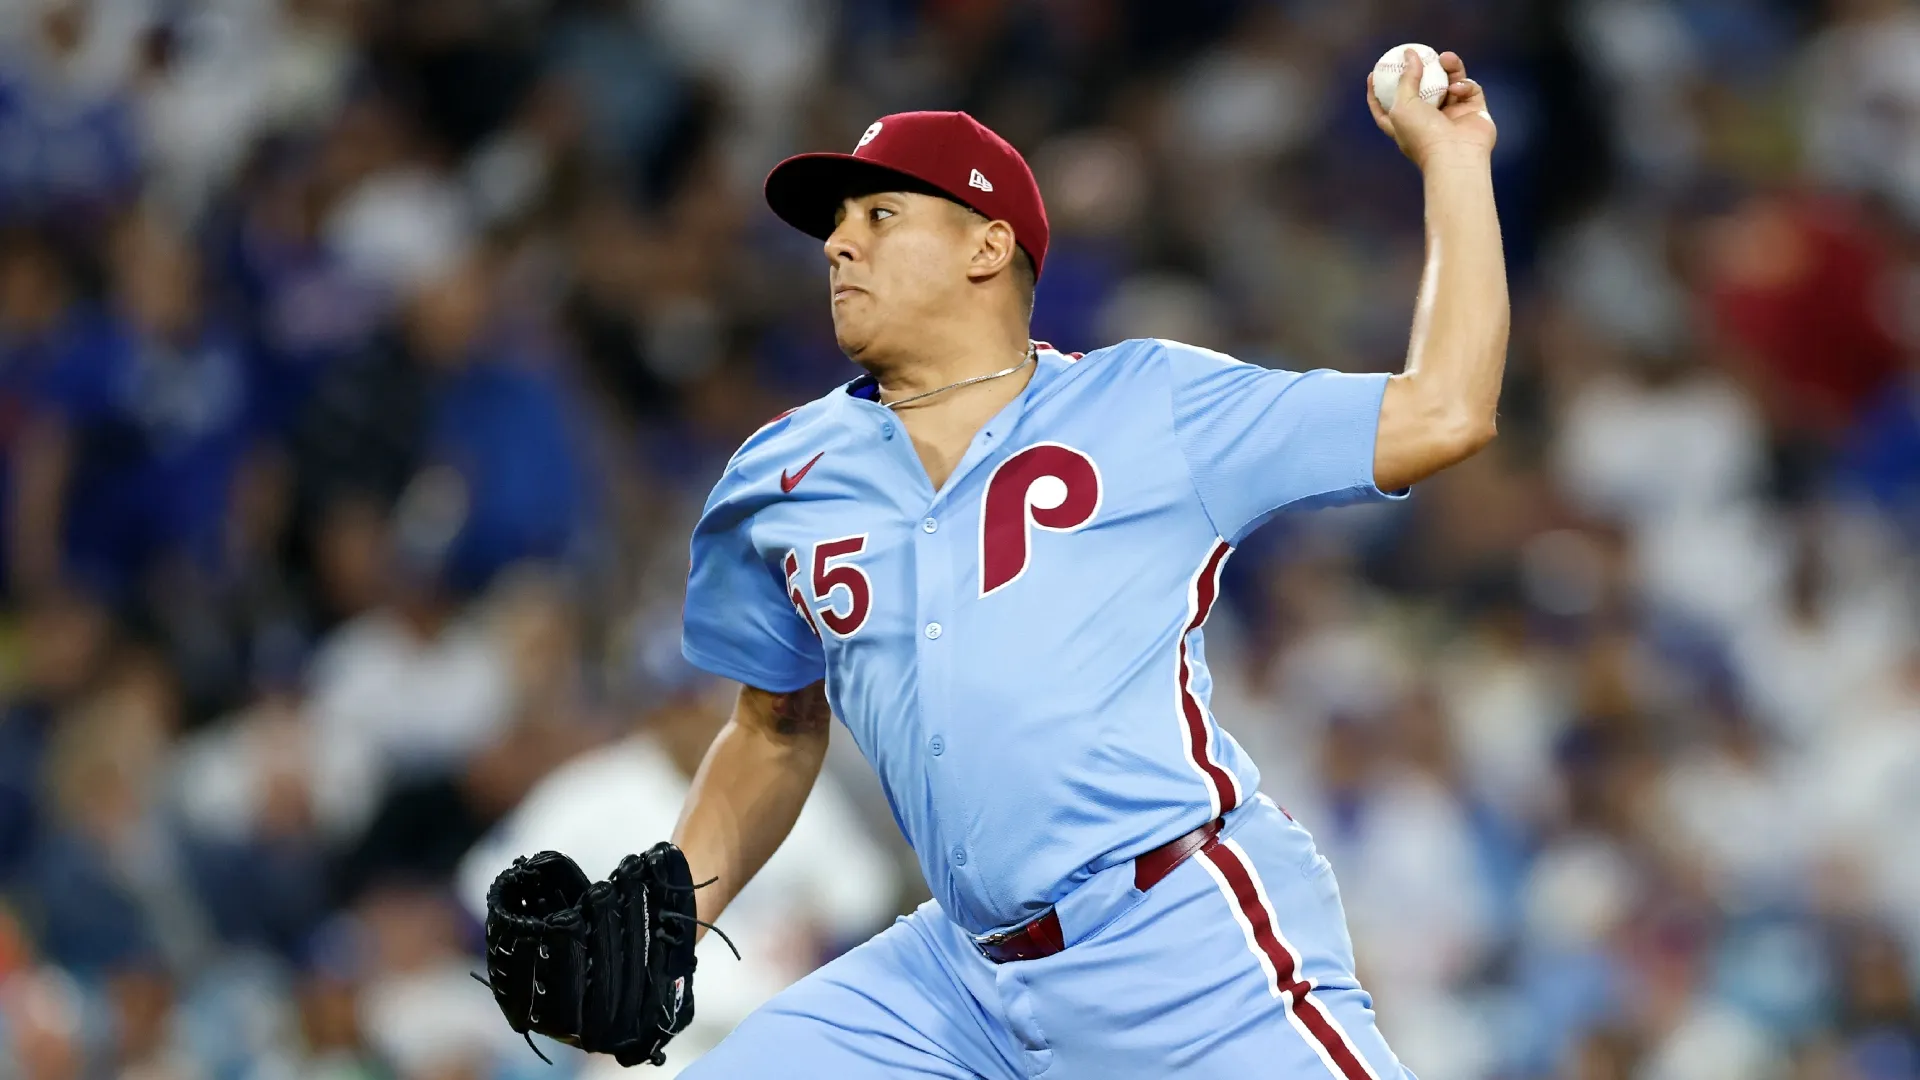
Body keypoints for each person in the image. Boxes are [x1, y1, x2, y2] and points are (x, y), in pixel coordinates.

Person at [668, 49, 1505, 1077]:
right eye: (835, 227)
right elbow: (773, 726)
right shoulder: (782, 474)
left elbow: (1446, 410)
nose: (839, 245)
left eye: (878, 216)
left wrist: (1455, 163)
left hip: (1177, 946)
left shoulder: (1147, 405)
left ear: (987, 247)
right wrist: (669, 916)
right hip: (952, 984)